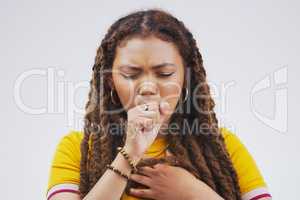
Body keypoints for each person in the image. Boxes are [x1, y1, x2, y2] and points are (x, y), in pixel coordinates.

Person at [46, 9, 272, 200]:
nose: (147, 87)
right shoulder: (76, 148)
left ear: (186, 78)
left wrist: (193, 192)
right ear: (110, 80)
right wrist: (129, 154)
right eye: (131, 74)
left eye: (164, 73)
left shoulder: (223, 146)